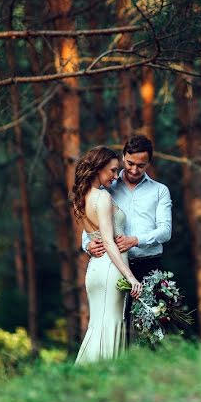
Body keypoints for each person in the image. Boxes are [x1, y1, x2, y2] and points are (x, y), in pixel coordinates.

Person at [83, 135, 173, 336]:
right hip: (112, 266)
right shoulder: (108, 186)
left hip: (149, 265)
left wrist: (136, 240)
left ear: (149, 163)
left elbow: (166, 231)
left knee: (151, 331)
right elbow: (90, 221)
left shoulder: (160, 191)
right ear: (123, 157)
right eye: (130, 163)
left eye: (141, 165)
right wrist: (87, 245)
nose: (134, 170)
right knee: (115, 326)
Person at [71, 146, 143, 364]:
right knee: (111, 323)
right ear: (97, 169)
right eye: (112, 170)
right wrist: (130, 277)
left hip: (95, 269)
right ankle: (104, 374)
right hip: (111, 269)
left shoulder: (79, 198)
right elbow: (109, 242)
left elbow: (94, 238)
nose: (115, 176)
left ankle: (88, 377)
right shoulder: (101, 197)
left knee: (98, 325)